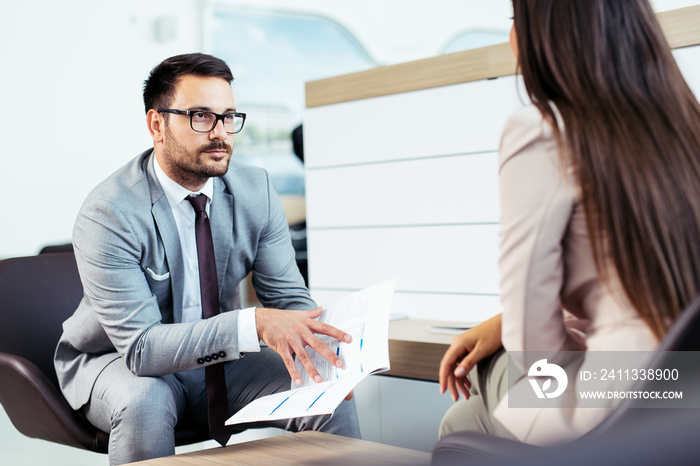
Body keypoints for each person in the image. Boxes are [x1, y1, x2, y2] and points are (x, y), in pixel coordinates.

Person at [54, 53, 359, 465]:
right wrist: (253, 323)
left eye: (228, 116)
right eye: (201, 116)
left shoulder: (256, 191)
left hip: (217, 360)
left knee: (325, 390)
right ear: (156, 125)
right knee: (146, 399)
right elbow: (141, 349)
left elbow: (289, 298)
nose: (220, 133)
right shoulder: (109, 212)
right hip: (119, 361)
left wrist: (332, 355)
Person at [439, 0, 700, 446]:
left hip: (618, 398)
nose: (511, 37)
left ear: (548, 34)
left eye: (514, 21)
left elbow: (531, 334)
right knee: (467, 416)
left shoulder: (542, 130)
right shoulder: (684, 125)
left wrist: (514, 335)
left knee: (478, 376)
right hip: (683, 386)